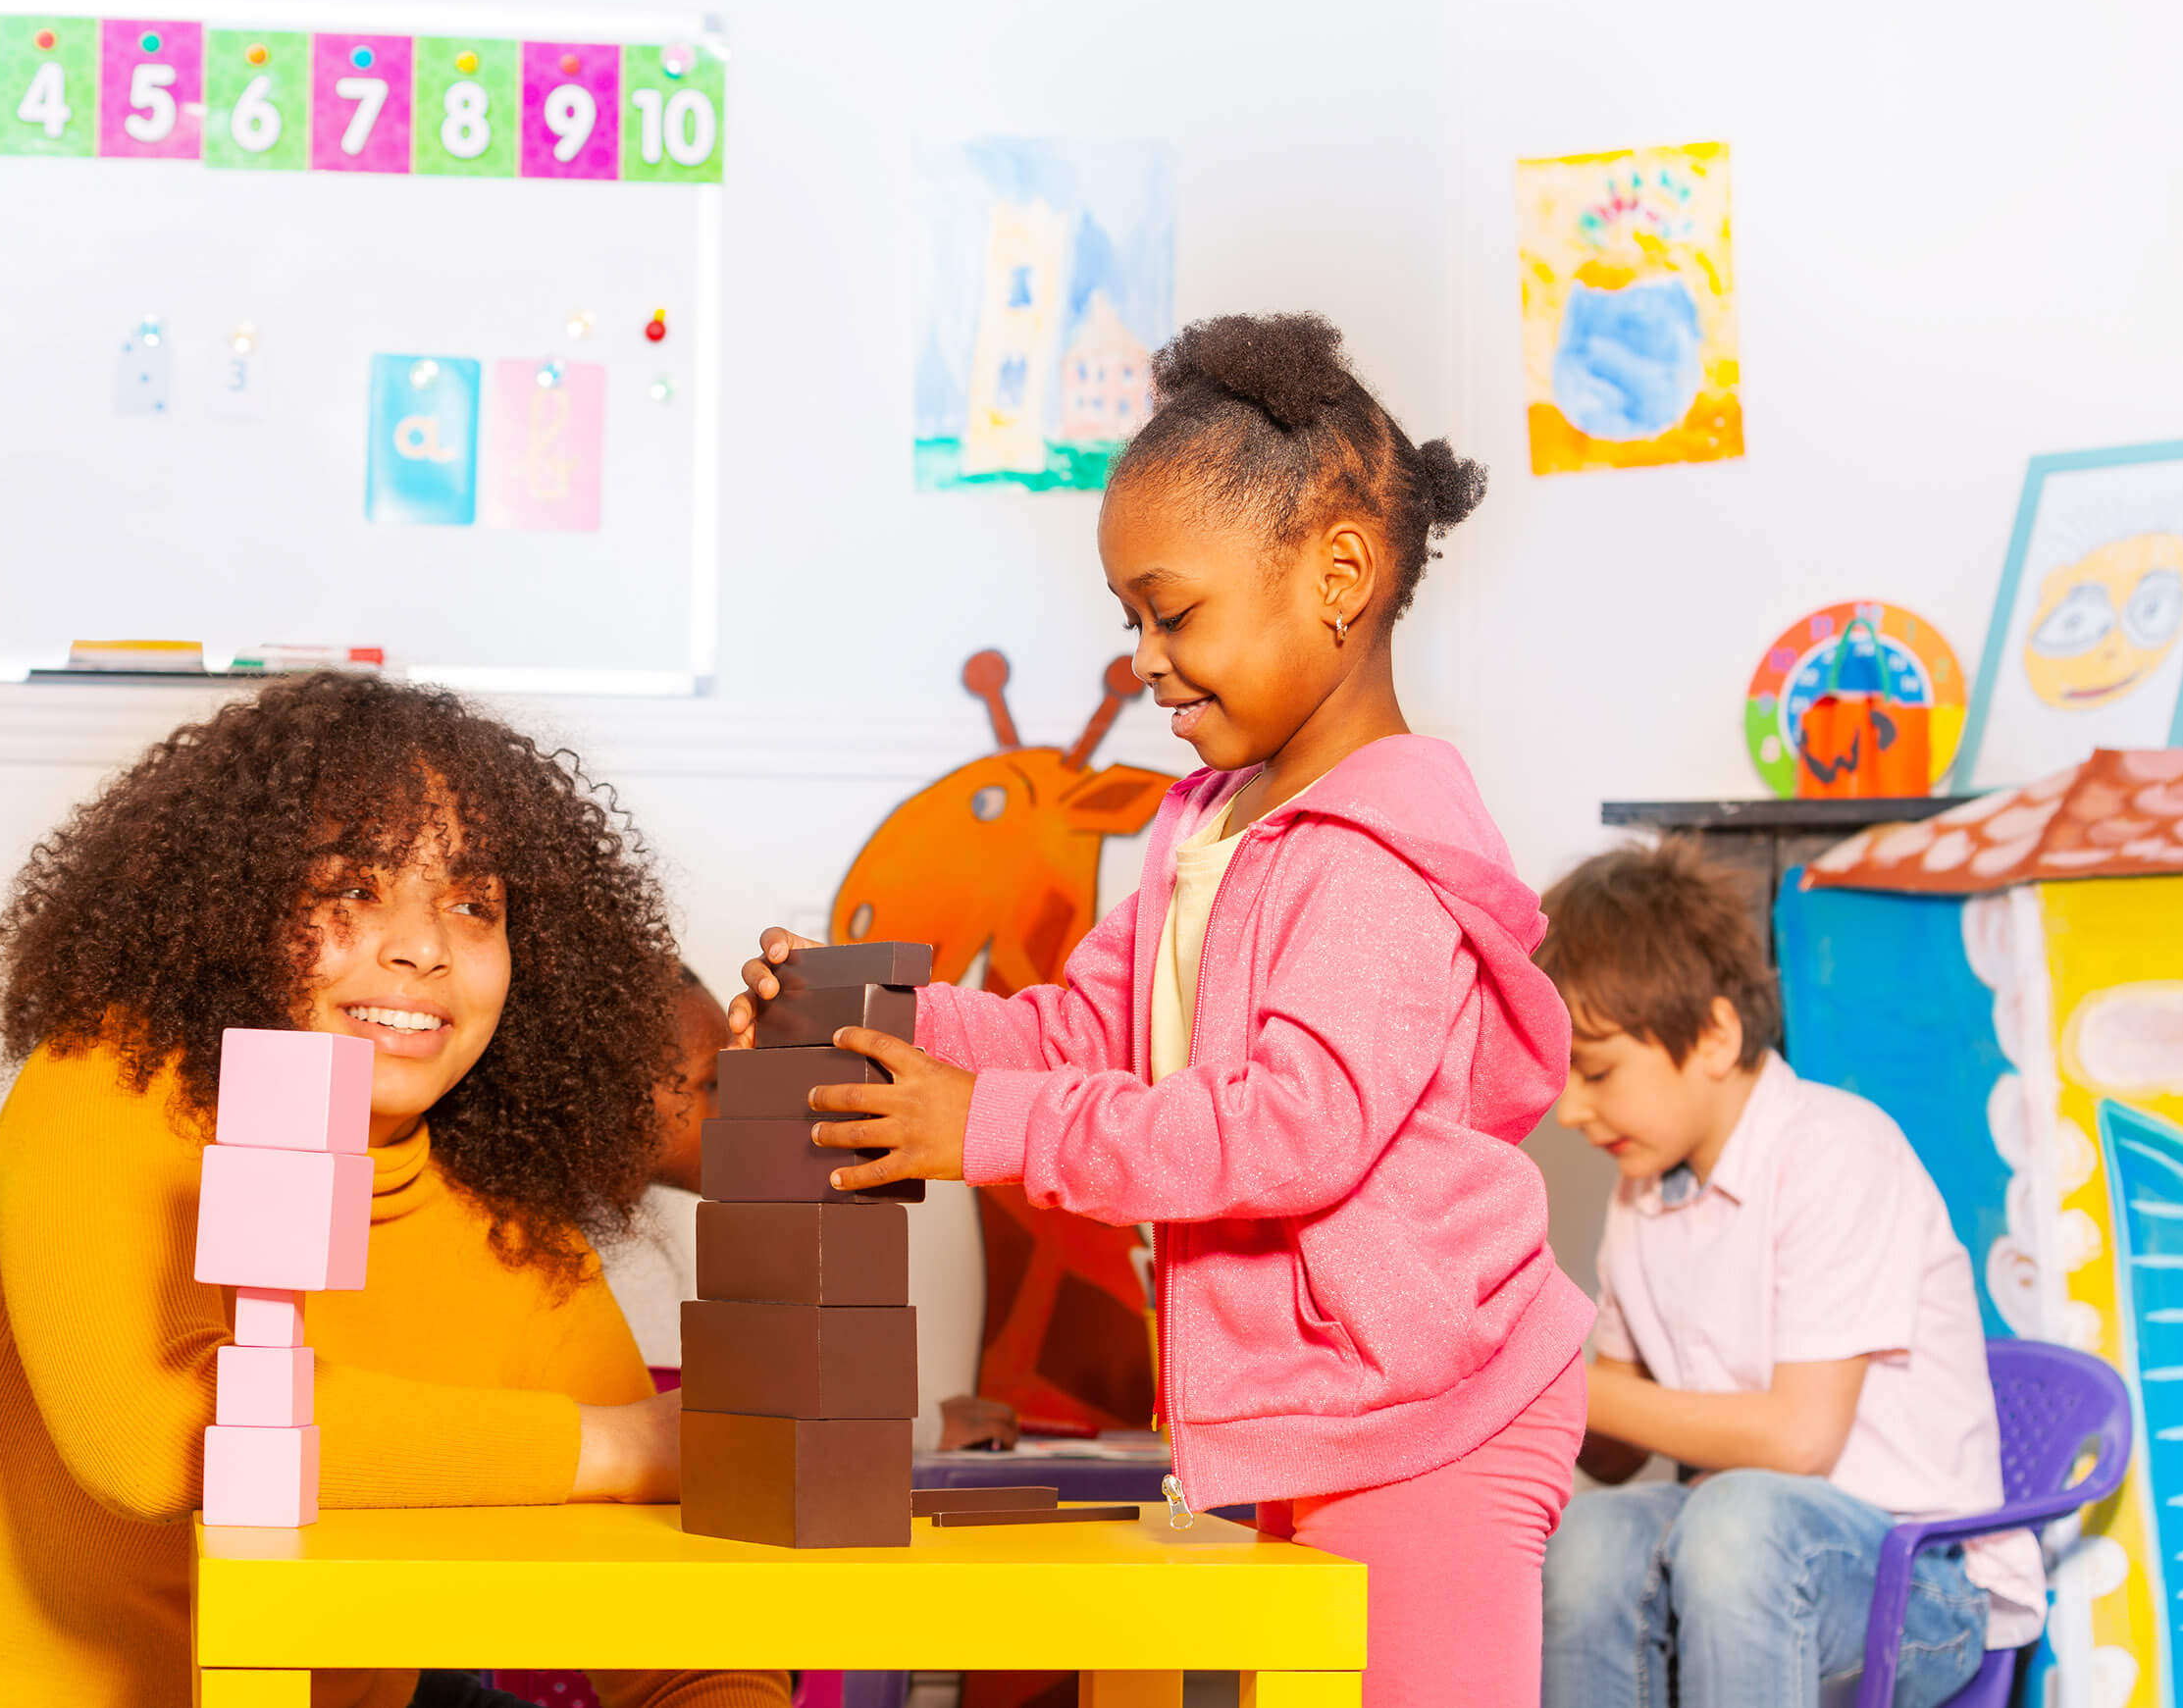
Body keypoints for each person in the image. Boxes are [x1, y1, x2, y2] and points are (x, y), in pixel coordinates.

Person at [733, 312, 1592, 1708]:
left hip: (1432, 1409)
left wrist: (988, 1126)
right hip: (1316, 1407)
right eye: (1128, 618)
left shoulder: (1378, 854)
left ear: (1341, 574)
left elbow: (1289, 1130)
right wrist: (876, 1015)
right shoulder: (1208, 826)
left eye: (1172, 609)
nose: (1142, 656)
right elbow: (1084, 1034)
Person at [0, 674, 786, 1708]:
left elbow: (668, 1622)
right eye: (350, 890)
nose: (422, 944)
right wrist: (621, 1446)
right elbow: (150, 1439)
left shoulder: (502, 1217)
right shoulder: (106, 1080)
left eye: (472, 903)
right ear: (230, 913)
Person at [1533, 838, 2045, 1708]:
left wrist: (1556, 1389)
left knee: (1740, 1521)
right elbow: (1614, 1454)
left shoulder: (1832, 1151)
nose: (1570, 1110)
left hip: (1919, 1579)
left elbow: (1797, 1442)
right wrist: (1508, 1362)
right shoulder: (1642, 1195)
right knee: (1592, 1532)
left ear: (1714, 1034)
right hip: (1736, 1562)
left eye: (1596, 1071)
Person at [599, 965, 728, 1388]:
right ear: (608, 1098)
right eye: (712, 1085)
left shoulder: (671, 1222)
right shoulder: (584, 1261)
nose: (740, 1106)